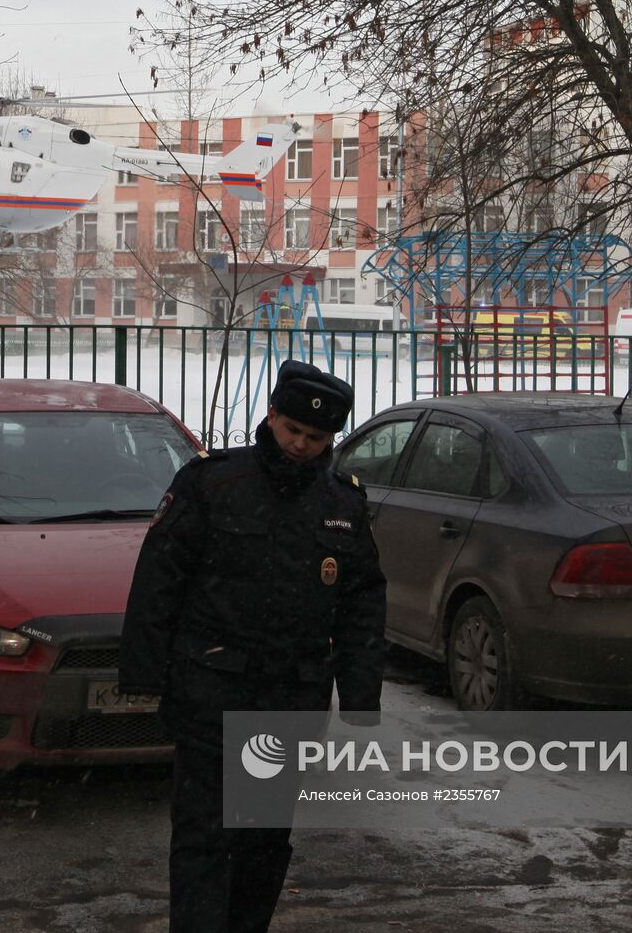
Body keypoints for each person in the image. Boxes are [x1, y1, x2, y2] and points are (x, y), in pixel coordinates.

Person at [119, 359, 387, 933]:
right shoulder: (213, 483)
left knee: (264, 841)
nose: (300, 445)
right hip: (211, 690)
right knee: (205, 836)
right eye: (293, 430)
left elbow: (363, 599)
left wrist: (361, 694)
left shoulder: (342, 503)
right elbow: (160, 579)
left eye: (316, 438)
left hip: (291, 700)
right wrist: (145, 676)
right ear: (271, 415)